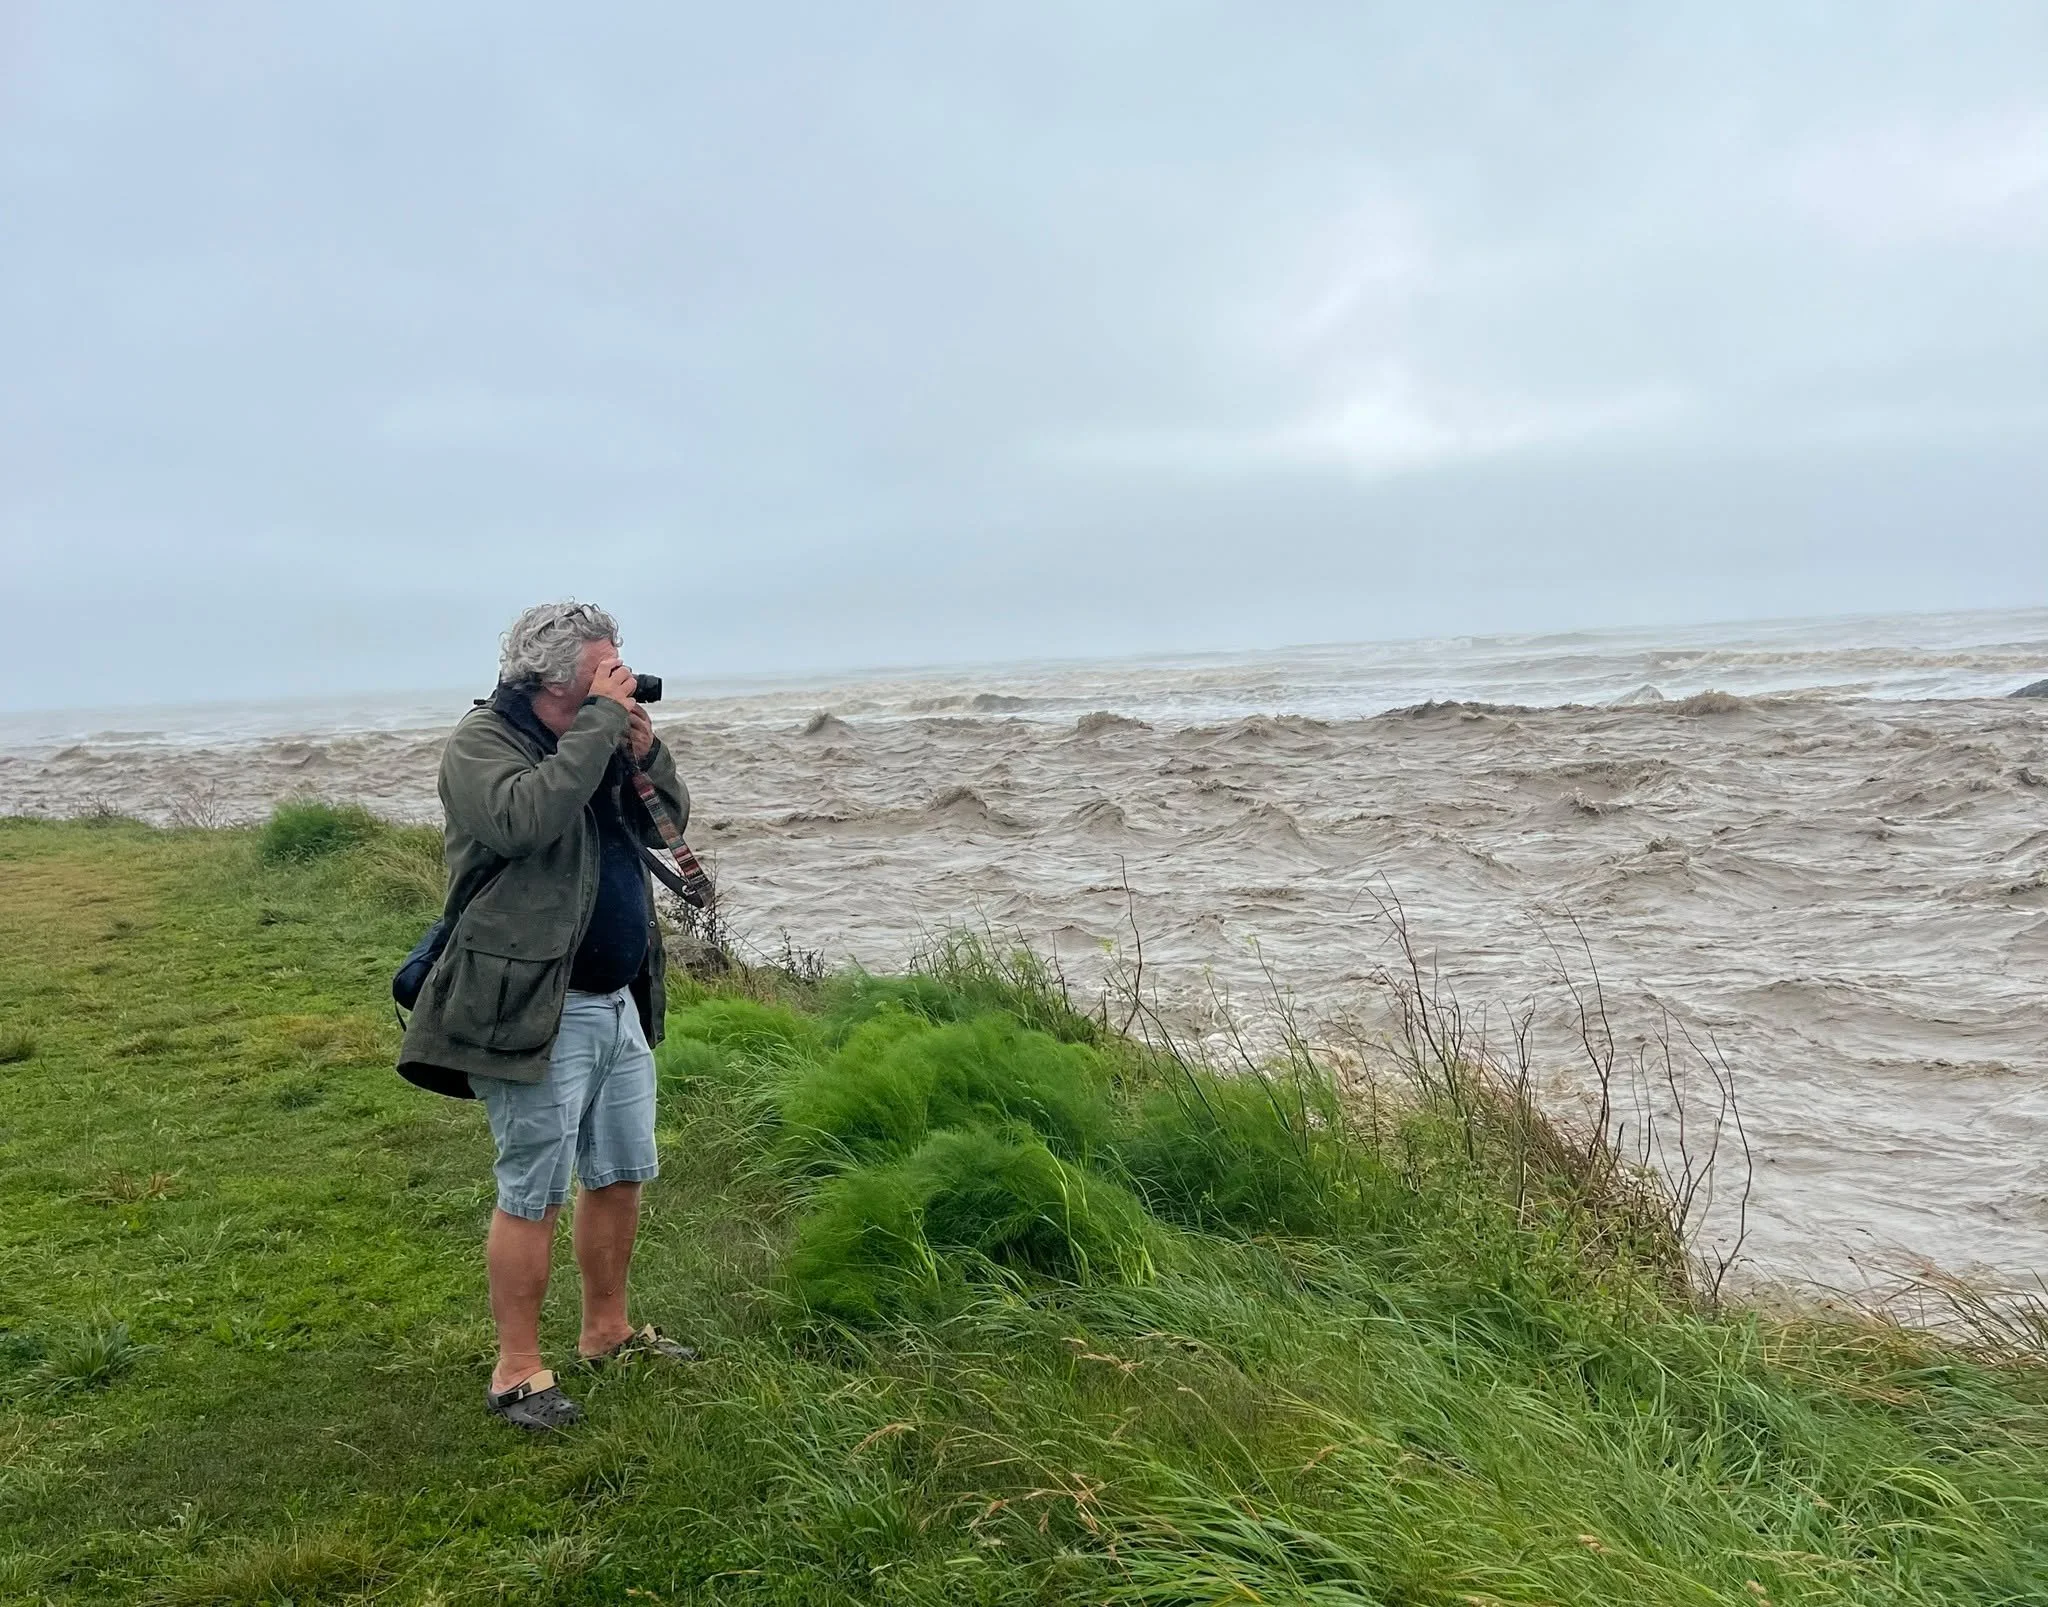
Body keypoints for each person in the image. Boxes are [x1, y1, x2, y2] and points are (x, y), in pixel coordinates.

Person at [398, 601, 697, 1431]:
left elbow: (668, 818)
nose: (622, 678)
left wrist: (645, 748)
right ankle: (517, 1370)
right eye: (606, 667)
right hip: (532, 1002)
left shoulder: (599, 738)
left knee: (621, 1170)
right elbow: (524, 821)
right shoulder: (481, 743)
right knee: (534, 1187)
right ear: (558, 676)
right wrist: (601, 727)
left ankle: (608, 1329)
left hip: (616, 996)